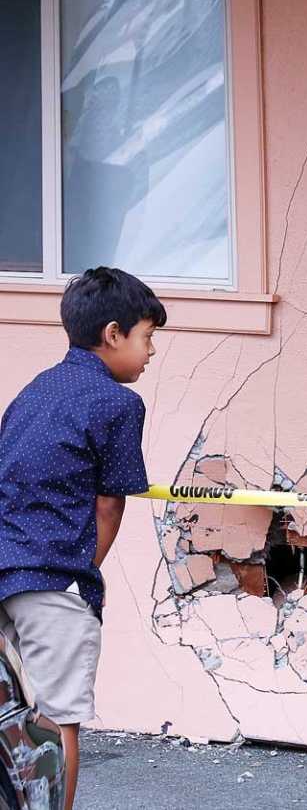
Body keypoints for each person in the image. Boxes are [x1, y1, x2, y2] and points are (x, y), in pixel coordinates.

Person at [0, 267, 166, 810]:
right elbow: (109, 502)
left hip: (4, 568)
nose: (151, 352)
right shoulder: (118, 404)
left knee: (11, 717)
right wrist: (81, 574)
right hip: (54, 580)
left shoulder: (34, 390)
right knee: (58, 718)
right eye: (147, 337)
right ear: (114, 334)